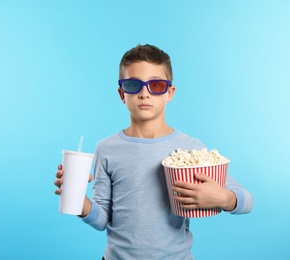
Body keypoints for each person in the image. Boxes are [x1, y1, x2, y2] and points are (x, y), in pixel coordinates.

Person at [54, 44, 254, 259]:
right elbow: (102, 219)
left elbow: (246, 201)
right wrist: (76, 198)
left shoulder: (190, 149)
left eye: (156, 85)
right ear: (122, 94)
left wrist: (223, 199)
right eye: (133, 85)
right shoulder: (107, 148)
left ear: (170, 93)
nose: (144, 94)